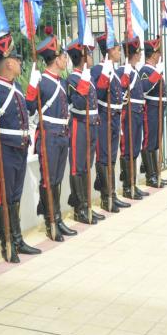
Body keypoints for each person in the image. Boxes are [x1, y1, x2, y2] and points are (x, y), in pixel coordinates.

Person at [0, 35, 41, 259]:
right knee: (3, 197)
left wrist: (33, 85)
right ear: (9, 62)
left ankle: (17, 239)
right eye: (17, 59)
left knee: (14, 196)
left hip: (19, 147)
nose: (20, 63)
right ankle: (8, 245)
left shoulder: (16, 87)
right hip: (2, 148)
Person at [27, 26, 77, 241]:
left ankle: (57, 218)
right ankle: (51, 223)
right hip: (48, 134)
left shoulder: (61, 82)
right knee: (48, 179)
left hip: (62, 134)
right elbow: (30, 107)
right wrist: (31, 84)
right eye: (64, 56)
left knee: (56, 179)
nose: (66, 60)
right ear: (56, 59)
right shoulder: (42, 82)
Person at [91, 33, 130, 212]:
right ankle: (106, 198)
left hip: (115, 118)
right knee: (104, 157)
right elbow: (98, 95)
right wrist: (105, 74)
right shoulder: (98, 70)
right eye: (116, 48)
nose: (119, 51)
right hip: (104, 117)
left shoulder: (113, 69)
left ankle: (113, 194)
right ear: (108, 51)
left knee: (112, 157)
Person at [65, 38, 102, 224]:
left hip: (92, 125)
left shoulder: (87, 77)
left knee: (87, 167)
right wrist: (85, 81)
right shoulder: (73, 78)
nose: (92, 56)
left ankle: (87, 204)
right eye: (88, 53)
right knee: (78, 167)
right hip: (80, 126)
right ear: (81, 56)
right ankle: (80, 208)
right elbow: (78, 103)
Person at [118, 37, 147, 199]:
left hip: (136, 113)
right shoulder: (125, 71)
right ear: (134, 54)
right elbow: (121, 93)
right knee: (128, 149)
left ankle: (133, 184)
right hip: (129, 113)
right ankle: (128, 187)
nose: (141, 54)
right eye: (139, 52)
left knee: (135, 149)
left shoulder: (134, 71)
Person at [140, 37, 167, 187]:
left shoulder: (153, 70)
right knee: (149, 142)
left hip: (158, 109)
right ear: (152, 54)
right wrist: (157, 74)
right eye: (158, 53)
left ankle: (156, 174)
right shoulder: (146, 70)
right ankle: (150, 176)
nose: (160, 56)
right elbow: (144, 88)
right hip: (151, 109)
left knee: (156, 142)